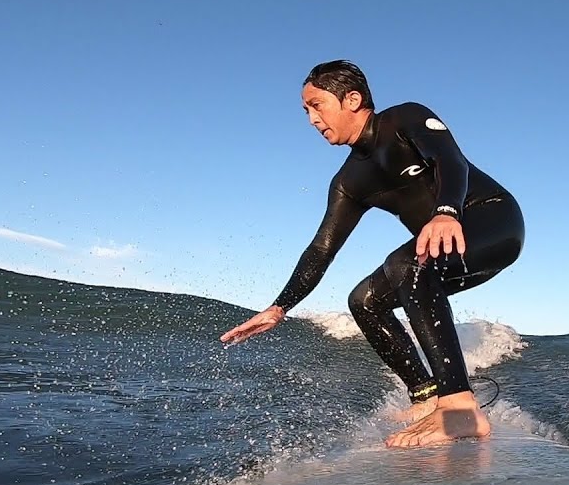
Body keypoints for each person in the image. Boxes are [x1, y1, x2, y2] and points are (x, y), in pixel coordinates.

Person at [220, 60, 525, 448]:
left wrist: (446, 211)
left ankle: (460, 408)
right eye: (306, 111)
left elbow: (450, 159)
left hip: (492, 220)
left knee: (406, 264)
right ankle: (426, 397)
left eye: (317, 105)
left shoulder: (405, 119)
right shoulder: (349, 181)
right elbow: (322, 247)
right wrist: (279, 307)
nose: (312, 119)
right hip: (440, 247)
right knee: (363, 300)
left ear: (352, 99)